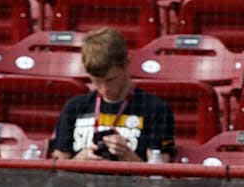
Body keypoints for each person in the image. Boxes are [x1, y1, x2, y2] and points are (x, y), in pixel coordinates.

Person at [51, 28, 175, 163]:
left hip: (130, 183)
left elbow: (158, 177)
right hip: (80, 182)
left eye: (111, 80)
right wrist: (80, 160)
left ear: (126, 65)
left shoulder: (155, 109)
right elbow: (57, 169)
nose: (104, 89)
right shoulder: (75, 107)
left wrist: (126, 155)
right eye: (96, 81)